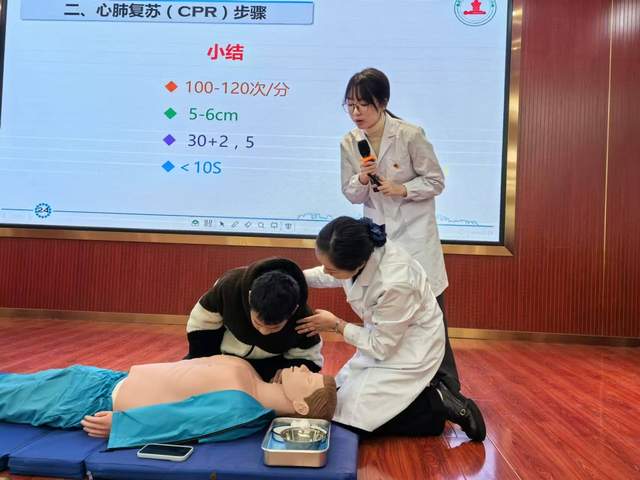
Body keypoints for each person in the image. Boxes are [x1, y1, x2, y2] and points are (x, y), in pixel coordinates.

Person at [296, 217, 485, 441]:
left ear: (358, 264)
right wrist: (292, 276)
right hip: (385, 334)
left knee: (352, 421)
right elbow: (327, 273)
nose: (327, 273)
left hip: (412, 345)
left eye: (332, 270)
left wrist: (336, 325)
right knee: (338, 403)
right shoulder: (359, 251)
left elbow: (381, 346)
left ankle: (437, 404)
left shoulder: (395, 282)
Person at [339, 68, 460, 393]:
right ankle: (393, 388)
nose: (356, 112)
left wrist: (402, 189)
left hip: (416, 238)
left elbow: (436, 181)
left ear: (382, 102)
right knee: (383, 316)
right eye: (350, 105)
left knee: (430, 317)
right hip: (381, 242)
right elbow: (351, 193)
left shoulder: (410, 134)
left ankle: (447, 390)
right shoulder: (350, 142)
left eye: (363, 104)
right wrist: (361, 178)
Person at [0, 356, 337, 449]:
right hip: (103, 378)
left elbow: (182, 422)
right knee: (11, 384)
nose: (303, 369)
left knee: (7, 394)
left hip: (90, 400)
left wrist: (122, 425)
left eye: (310, 378)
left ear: (301, 407)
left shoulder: (243, 408)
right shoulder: (249, 374)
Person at [185, 258, 323, 381]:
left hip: (270, 366)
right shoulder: (229, 287)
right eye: (258, 323)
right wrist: (205, 360)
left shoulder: (304, 319)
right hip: (222, 356)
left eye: (274, 328)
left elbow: (309, 357)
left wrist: (289, 370)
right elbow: (202, 323)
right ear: (250, 298)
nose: (264, 332)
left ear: (293, 311)